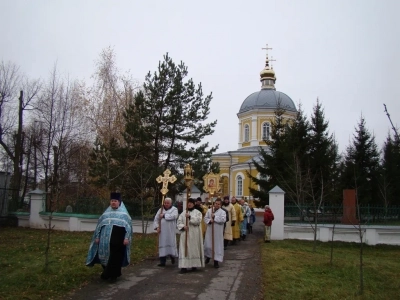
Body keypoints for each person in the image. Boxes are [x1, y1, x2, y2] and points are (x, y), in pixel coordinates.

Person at [86, 192, 132, 282]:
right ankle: (107, 272)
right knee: (105, 257)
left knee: (115, 258)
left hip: (118, 242)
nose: (113, 203)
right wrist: (97, 237)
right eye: (112, 201)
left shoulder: (124, 215)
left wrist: (126, 238)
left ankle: (112, 276)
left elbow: (128, 228)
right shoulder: (105, 214)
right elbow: (99, 226)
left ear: (119, 202)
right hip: (104, 241)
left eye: (115, 201)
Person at [177, 198, 205, 273]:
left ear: (194, 204)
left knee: (193, 249)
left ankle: (194, 264)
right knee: (184, 249)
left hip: (194, 234)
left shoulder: (197, 212)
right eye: (188, 203)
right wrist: (183, 226)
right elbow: (179, 222)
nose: (189, 204)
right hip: (185, 234)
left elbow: (198, 221)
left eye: (191, 203)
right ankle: (184, 266)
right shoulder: (183, 213)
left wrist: (190, 217)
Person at [153, 197, 178, 266]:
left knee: (170, 243)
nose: (166, 204)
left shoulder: (174, 209)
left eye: (168, 203)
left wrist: (164, 215)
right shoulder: (160, 210)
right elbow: (156, 219)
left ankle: (172, 257)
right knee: (163, 244)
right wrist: (157, 227)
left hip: (170, 231)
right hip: (162, 231)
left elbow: (174, 216)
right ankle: (162, 261)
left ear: (171, 203)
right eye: (165, 203)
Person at [204, 198, 226, 268]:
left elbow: (223, 220)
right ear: (214, 203)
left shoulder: (222, 212)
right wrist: (210, 221)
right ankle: (208, 257)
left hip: (218, 232)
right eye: (216, 203)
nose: (217, 205)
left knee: (217, 246)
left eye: (219, 204)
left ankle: (216, 261)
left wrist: (215, 217)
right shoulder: (209, 210)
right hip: (210, 230)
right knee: (208, 245)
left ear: (220, 205)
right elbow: (205, 218)